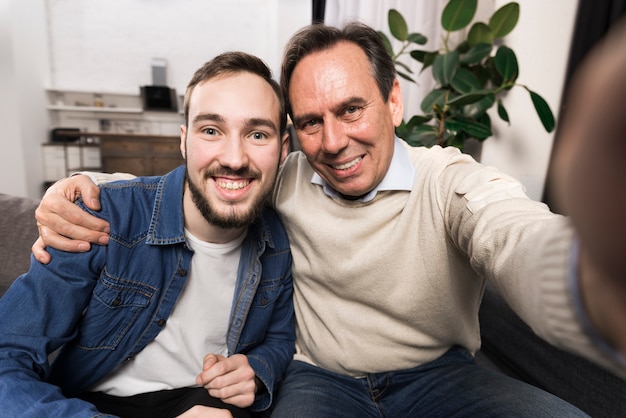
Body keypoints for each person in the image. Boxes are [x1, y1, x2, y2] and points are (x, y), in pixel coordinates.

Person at [32, 19, 626, 417]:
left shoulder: (449, 182)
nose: (334, 141)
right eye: (311, 121)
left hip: (441, 376)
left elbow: (512, 235)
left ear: (393, 102)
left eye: (351, 109)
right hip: (318, 379)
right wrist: (80, 189)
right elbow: (201, 180)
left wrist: (596, 276)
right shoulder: (285, 180)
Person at [0, 51, 295, 418]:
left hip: (200, 403)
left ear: (282, 150)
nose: (234, 158)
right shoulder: (98, 218)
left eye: (257, 134)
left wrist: (259, 369)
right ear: (184, 141)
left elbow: (281, 339)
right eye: (210, 130)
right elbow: (6, 355)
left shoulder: (277, 241)